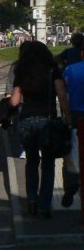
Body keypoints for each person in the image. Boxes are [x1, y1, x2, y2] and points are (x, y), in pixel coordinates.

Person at [9, 40, 71, 218]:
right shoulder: (52, 70)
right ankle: (45, 204)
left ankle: (31, 201)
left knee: (31, 161)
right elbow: (61, 95)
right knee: (49, 164)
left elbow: (14, 101)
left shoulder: (22, 72)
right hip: (48, 121)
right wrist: (67, 116)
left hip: (27, 120)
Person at [59, 51, 84, 207]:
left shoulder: (70, 70)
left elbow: (63, 95)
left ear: (82, 54)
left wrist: (66, 117)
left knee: (72, 155)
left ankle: (70, 186)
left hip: (75, 117)